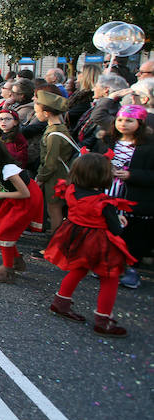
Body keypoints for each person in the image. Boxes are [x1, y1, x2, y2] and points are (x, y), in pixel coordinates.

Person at [44, 153, 135, 337]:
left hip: (76, 236)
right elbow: (116, 229)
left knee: (78, 269)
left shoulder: (70, 190)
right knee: (110, 278)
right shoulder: (104, 202)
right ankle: (103, 320)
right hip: (98, 242)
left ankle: (61, 302)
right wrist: (121, 220)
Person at [95, 105, 153, 289]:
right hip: (108, 192)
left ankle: (129, 268)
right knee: (107, 227)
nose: (123, 124)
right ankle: (106, 263)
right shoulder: (108, 141)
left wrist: (132, 175)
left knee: (131, 233)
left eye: (129, 121)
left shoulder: (149, 147)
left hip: (134, 196)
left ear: (140, 123)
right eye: (120, 120)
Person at [0, 137, 43, 283]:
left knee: (5, 232)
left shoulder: (8, 169)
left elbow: (25, 193)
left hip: (25, 201)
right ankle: (15, 261)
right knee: (3, 229)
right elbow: (1, 181)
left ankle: (7, 271)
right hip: (15, 198)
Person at [34, 90, 74, 244]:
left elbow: (50, 162)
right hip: (57, 175)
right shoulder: (58, 129)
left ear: (47, 112)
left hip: (56, 177)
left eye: (38, 111)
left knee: (54, 211)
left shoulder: (55, 134)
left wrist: (40, 178)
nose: (37, 115)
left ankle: (55, 244)